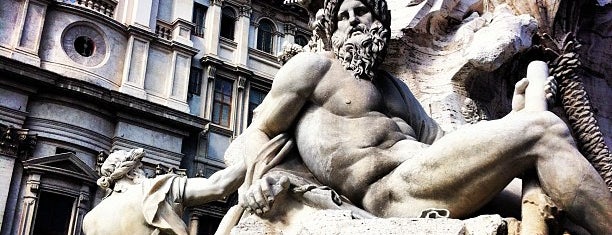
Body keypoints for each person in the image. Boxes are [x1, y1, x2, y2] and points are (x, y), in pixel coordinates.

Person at [229, 0, 612, 233]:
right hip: (388, 192)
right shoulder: (313, 67)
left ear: (380, 21)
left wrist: (512, 118)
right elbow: (260, 128)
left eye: (361, 11)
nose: (352, 21)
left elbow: (446, 146)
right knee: (544, 131)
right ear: (332, 30)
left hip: (427, 175)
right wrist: (259, 182)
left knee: (565, 211)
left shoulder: (395, 88)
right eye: (342, 17)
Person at [82, 148, 245, 235]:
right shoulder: (153, 191)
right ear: (131, 173)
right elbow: (218, 186)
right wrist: (254, 155)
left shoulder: (90, 219)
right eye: (141, 169)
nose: (145, 174)